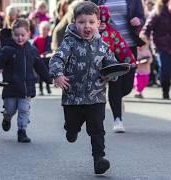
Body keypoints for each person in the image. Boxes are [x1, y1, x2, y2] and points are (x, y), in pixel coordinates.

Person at [49, 1, 117, 174]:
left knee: (97, 129)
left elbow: (112, 66)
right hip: (73, 97)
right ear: (74, 23)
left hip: (96, 96)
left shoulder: (103, 46)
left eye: (91, 22)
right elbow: (56, 59)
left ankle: (99, 159)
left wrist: (112, 74)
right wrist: (58, 74)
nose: (87, 26)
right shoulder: (69, 43)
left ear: (98, 24)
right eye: (82, 22)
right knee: (72, 127)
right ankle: (71, 130)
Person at [0, 18, 51, 143]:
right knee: (10, 109)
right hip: (10, 87)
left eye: (23, 35)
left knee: (24, 109)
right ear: (12, 34)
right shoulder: (7, 50)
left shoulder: (32, 50)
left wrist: (49, 79)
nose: (20, 38)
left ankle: (22, 131)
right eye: (16, 35)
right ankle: (6, 118)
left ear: (28, 34)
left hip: (26, 88)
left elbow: (40, 66)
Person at [93, 0, 146, 133]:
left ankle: (116, 99)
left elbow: (142, 16)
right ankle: (118, 119)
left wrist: (138, 20)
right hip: (107, 46)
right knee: (115, 83)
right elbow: (86, 12)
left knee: (127, 86)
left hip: (129, 45)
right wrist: (95, 25)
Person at [98, 5, 136, 132]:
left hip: (112, 65)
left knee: (126, 88)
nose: (102, 24)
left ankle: (117, 102)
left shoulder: (113, 33)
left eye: (105, 20)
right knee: (109, 90)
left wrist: (130, 61)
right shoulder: (89, 33)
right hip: (94, 68)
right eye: (99, 21)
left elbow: (123, 48)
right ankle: (117, 119)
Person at [33, 21, 53, 95]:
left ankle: (48, 88)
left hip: (47, 59)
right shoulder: (36, 39)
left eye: (47, 29)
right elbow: (33, 49)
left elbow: (51, 48)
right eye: (44, 29)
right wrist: (38, 55)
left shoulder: (50, 39)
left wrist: (48, 53)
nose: (45, 31)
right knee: (40, 76)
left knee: (47, 74)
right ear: (40, 29)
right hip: (39, 60)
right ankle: (41, 90)